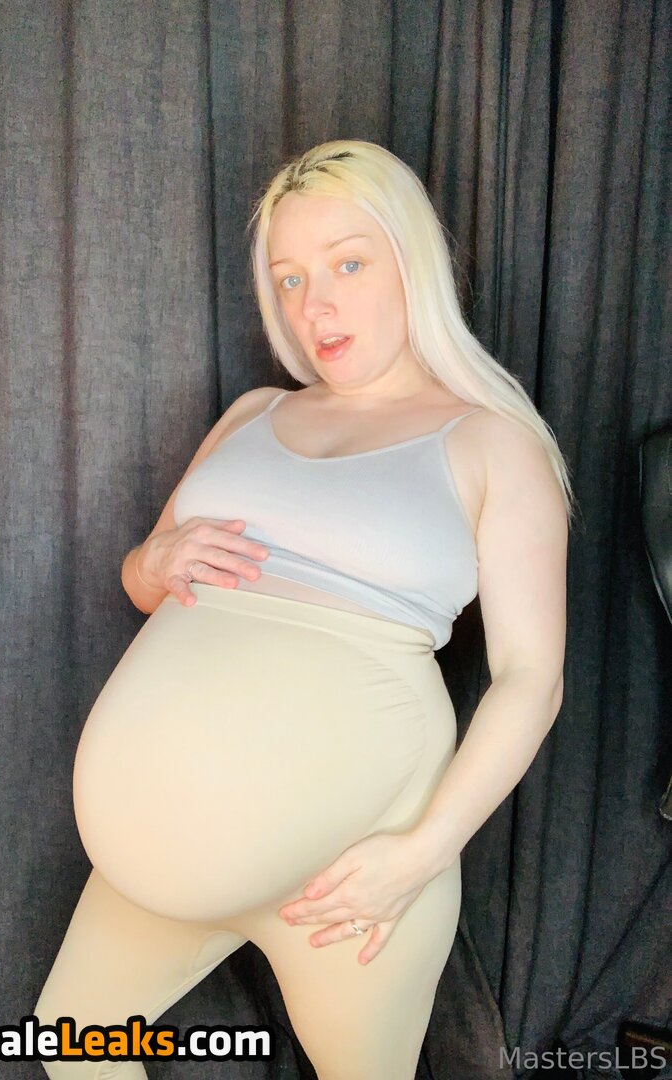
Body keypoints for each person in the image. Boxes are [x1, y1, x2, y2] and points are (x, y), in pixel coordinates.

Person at [33, 140, 570, 1079]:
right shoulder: (252, 414)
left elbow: (531, 678)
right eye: (289, 279)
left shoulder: (492, 443)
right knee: (72, 1042)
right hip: (164, 853)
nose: (313, 305)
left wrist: (420, 854)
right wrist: (153, 558)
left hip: (353, 867)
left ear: (413, 262)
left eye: (347, 265)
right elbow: (143, 582)